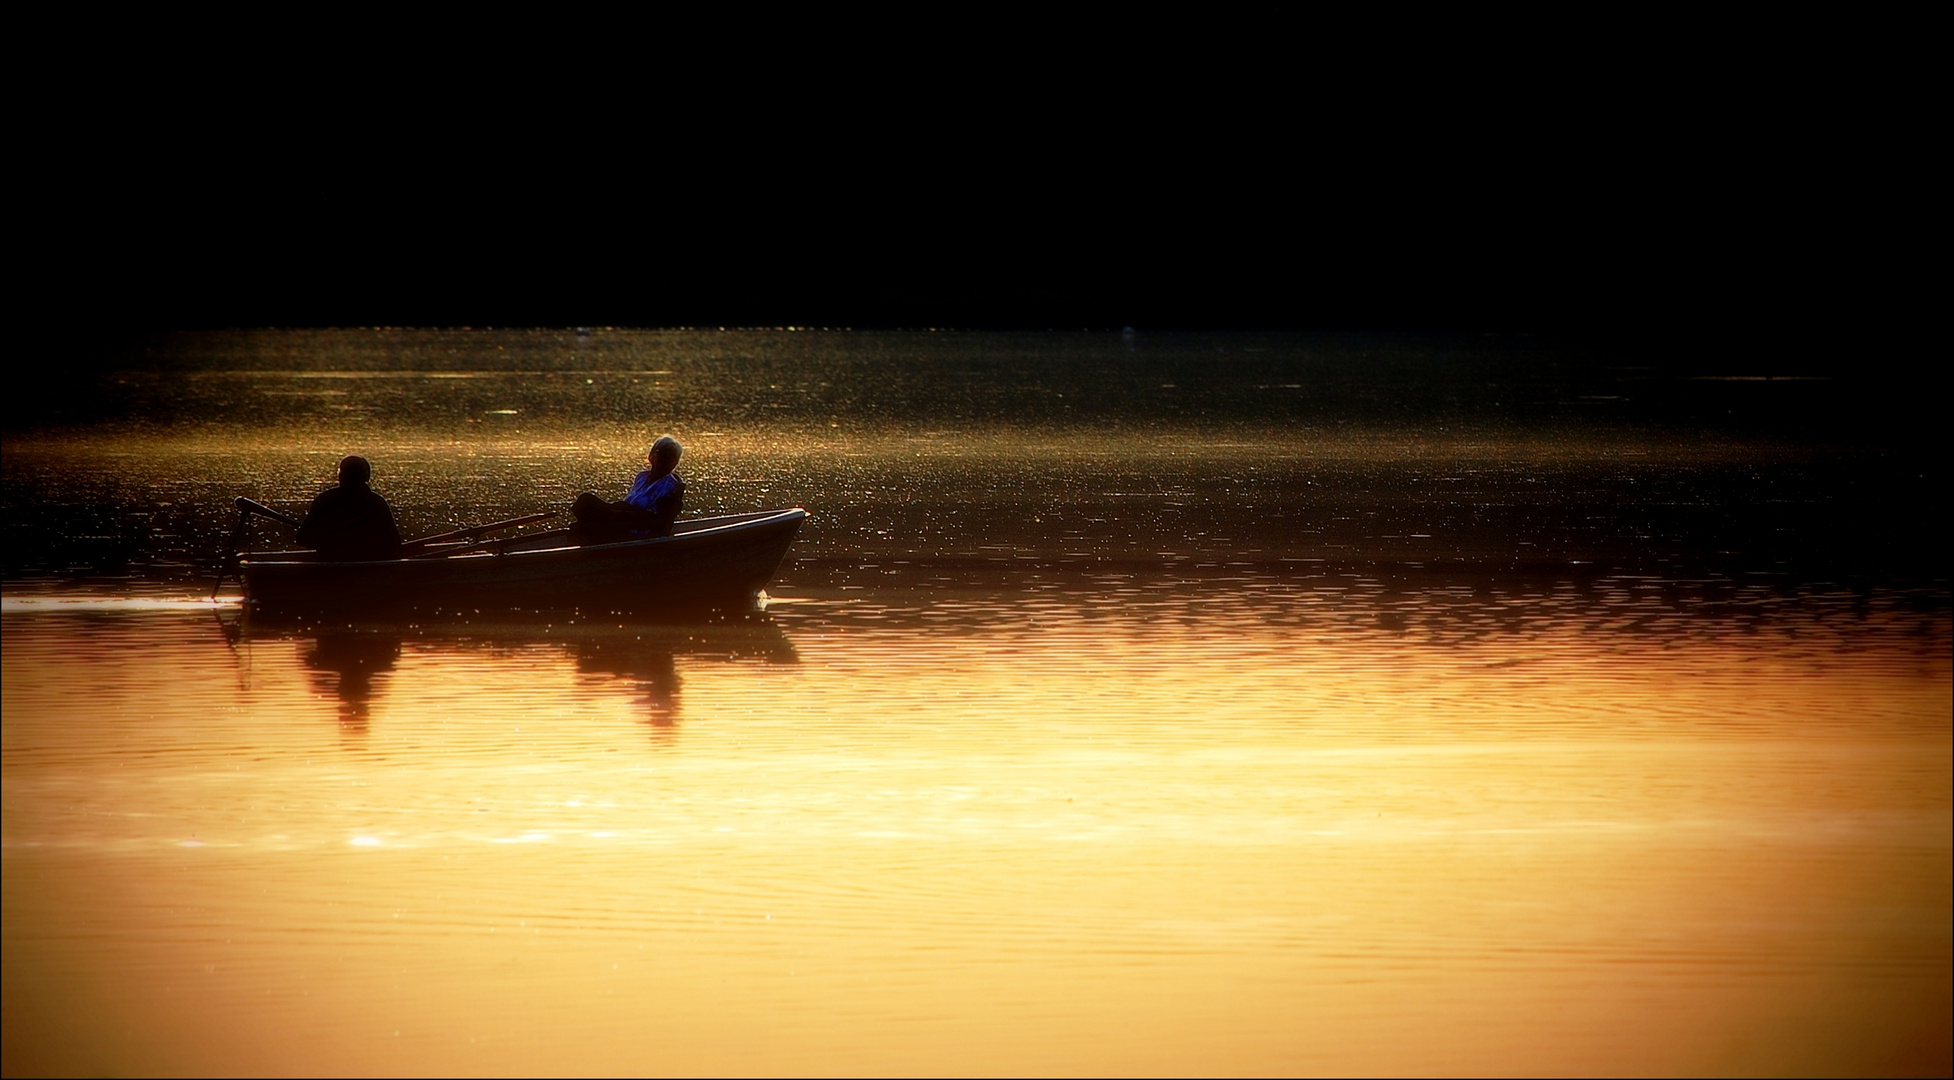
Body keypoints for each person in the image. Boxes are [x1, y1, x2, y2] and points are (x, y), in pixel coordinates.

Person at [572, 435, 685, 540]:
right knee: (586, 500)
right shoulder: (642, 477)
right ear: (652, 456)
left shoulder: (670, 484)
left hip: (637, 527)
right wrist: (612, 511)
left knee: (589, 515)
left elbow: (654, 518)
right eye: (662, 454)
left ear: (675, 462)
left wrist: (615, 514)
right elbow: (629, 502)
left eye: (671, 457)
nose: (666, 459)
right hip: (622, 517)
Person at [296, 455, 403, 561]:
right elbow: (394, 545)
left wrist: (325, 542)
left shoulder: (326, 500)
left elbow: (302, 538)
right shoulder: (377, 502)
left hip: (332, 564)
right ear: (366, 477)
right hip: (369, 565)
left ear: (341, 476)